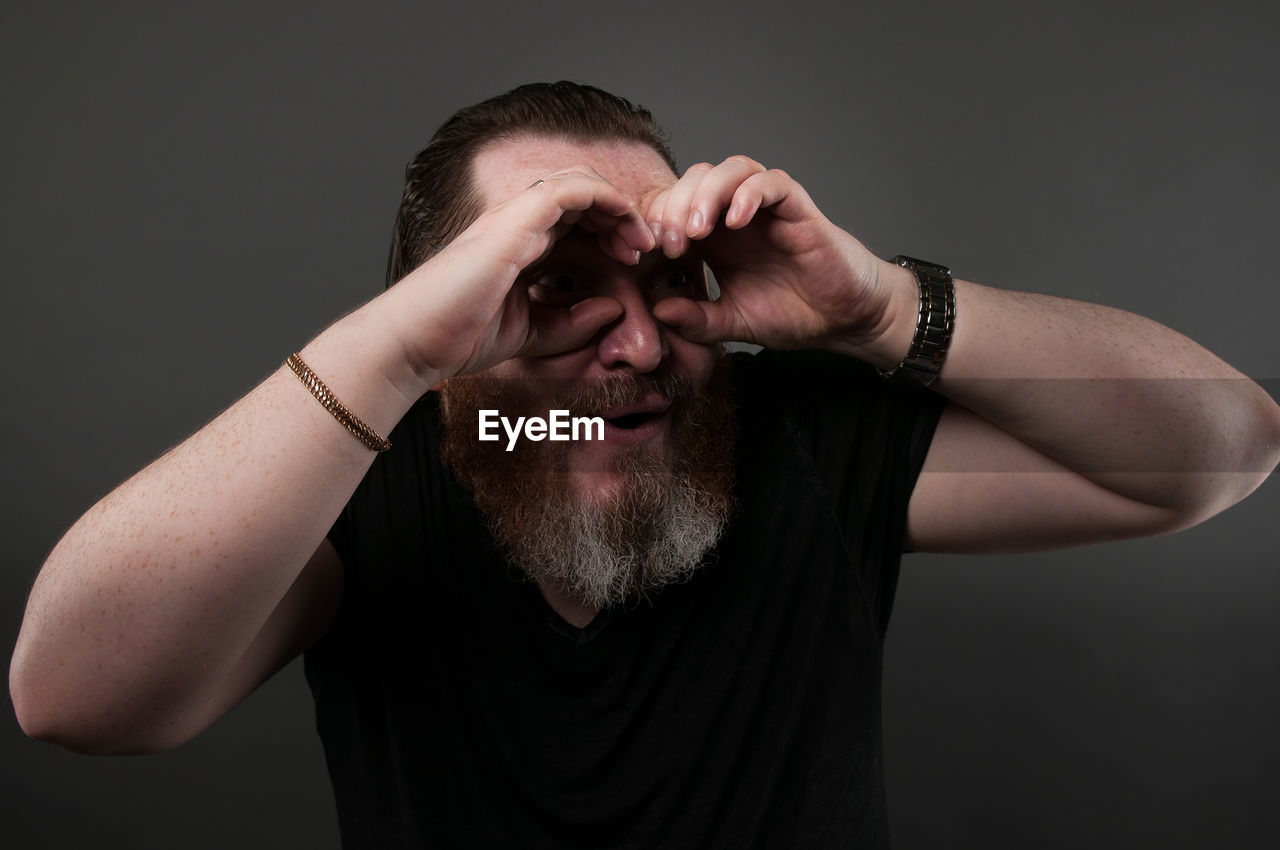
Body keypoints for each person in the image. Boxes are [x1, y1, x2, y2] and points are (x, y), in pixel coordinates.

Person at [10, 82, 1280, 847]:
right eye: (549, 286)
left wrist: (877, 311)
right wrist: (397, 353)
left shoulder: (791, 438)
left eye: (664, 283)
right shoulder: (368, 481)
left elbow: (1214, 451)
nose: (630, 341)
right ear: (451, 304)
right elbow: (75, 697)